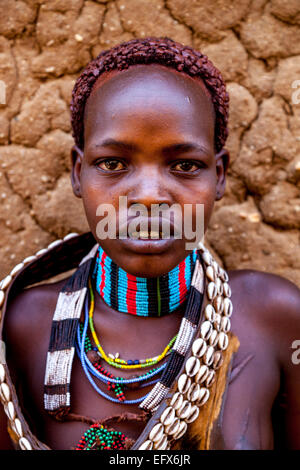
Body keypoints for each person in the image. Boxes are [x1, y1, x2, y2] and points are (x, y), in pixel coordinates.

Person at [0, 37, 299, 451]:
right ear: (77, 173)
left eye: (184, 165)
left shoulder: (274, 317)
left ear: (220, 176)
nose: (149, 196)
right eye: (113, 163)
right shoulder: (20, 327)